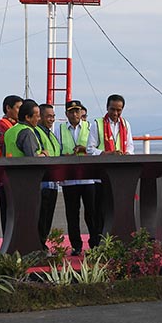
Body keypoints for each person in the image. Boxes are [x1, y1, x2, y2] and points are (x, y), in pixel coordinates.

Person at [60, 100, 101, 255]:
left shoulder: (90, 127)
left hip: (88, 178)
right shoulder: (60, 129)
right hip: (69, 179)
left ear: (81, 112)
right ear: (66, 114)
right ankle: (76, 245)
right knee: (72, 214)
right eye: (71, 112)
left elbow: (94, 148)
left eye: (77, 111)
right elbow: (57, 150)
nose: (75, 114)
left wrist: (84, 149)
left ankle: (95, 243)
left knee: (92, 213)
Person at [0, 94, 22, 233]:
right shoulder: (1, 127)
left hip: (16, 174)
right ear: (8, 108)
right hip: (6, 175)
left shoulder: (16, 125)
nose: (20, 111)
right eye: (18, 108)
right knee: (8, 212)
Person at [35, 103, 61, 245]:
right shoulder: (37, 132)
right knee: (42, 216)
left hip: (53, 182)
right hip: (43, 183)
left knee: (48, 217)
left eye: (53, 116)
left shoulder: (50, 134)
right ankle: (39, 244)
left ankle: (43, 243)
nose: (51, 119)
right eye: (48, 116)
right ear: (40, 117)